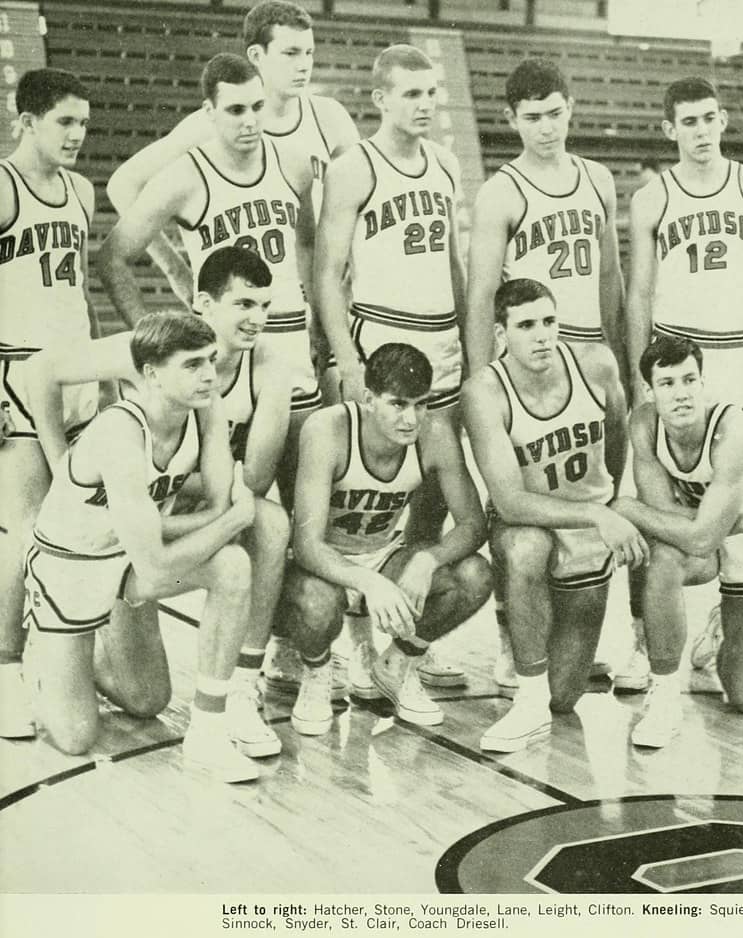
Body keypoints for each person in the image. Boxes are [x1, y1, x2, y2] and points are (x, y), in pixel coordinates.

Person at [26, 248, 293, 760]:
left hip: (130, 554)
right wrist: (58, 459)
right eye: (243, 304)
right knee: (77, 737)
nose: (208, 375)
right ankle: (51, 660)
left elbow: (218, 507)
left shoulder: (206, 398)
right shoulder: (127, 409)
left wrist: (213, 517)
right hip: (72, 567)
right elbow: (43, 369)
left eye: (264, 305)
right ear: (148, 373)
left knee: (149, 700)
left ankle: (209, 729)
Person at [462, 58, 636, 692]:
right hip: (526, 361)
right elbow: (482, 293)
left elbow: (611, 277)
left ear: (571, 108)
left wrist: (621, 356)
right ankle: (515, 637)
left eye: (555, 114)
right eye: (532, 118)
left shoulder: (597, 178)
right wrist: (486, 377)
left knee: (598, 491)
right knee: (522, 516)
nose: (545, 128)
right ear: (511, 120)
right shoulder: (501, 191)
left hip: (588, 351)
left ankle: (581, 624)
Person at [105, 0, 359, 397]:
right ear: (257, 56)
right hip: (233, 323)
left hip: (312, 308)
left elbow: (331, 227)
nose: (303, 64)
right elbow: (123, 184)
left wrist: (328, 308)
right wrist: (177, 270)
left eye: (309, 52)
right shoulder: (206, 126)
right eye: (291, 53)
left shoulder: (330, 118)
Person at [98, 52, 318, 510]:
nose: (251, 121)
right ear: (208, 112)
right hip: (223, 354)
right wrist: (156, 340)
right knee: (222, 495)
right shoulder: (184, 177)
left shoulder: (293, 163)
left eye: (258, 107)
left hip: (289, 343)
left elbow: (308, 246)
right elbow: (114, 257)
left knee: (305, 502)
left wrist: (318, 327)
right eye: (236, 110)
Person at [313, 43, 468, 688]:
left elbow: (454, 265)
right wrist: (346, 359)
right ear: (379, 100)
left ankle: (405, 641)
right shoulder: (355, 167)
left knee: (428, 498)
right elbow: (325, 273)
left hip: (443, 347)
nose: (426, 103)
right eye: (411, 93)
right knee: (355, 497)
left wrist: (473, 345)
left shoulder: (447, 164)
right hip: (378, 342)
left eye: (432, 92)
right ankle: (349, 636)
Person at [626, 75, 743, 678]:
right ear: (670, 130)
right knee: (659, 502)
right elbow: (638, 292)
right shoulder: (653, 198)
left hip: (735, 359)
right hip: (673, 362)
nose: (701, 131)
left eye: (710, 119)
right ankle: (646, 643)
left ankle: (730, 618)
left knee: (741, 509)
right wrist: (642, 376)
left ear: (724, 121)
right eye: (688, 122)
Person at [462, 278, 647, 753]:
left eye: (549, 321)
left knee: (564, 698)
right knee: (526, 547)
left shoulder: (597, 366)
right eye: (526, 325)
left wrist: (602, 512)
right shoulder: (485, 391)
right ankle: (525, 699)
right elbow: (508, 502)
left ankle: (539, 682)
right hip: (531, 524)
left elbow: (617, 450)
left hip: (587, 533)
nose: (542, 335)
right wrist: (596, 514)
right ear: (502, 333)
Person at [279, 343, 491, 734]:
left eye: (421, 404)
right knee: (316, 604)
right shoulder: (328, 429)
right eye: (398, 404)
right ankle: (317, 671)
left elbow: (473, 524)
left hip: (383, 554)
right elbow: (308, 545)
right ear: (368, 398)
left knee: (473, 576)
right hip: (322, 567)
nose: (411, 419)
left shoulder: (435, 434)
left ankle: (397, 665)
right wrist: (369, 582)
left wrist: (427, 561)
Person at [611, 334, 743, 748]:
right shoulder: (643, 423)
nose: (681, 394)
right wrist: (719, 523)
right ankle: (665, 696)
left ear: (703, 383)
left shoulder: (733, 433)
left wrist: (628, 508)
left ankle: (722, 622)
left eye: (690, 380)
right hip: (716, 527)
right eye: (668, 384)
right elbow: (667, 518)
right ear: (649, 392)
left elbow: (702, 536)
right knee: (663, 557)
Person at [0, 68, 95, 740]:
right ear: (25, 118)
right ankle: (4, 675)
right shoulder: (3, 186)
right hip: (16, 375)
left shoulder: (82, 192)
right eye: (65, 122)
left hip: (76, 378)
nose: (78, 136)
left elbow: (77, 291)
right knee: (21, 532)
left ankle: (55, 661)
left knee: (74, 530)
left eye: (84, 124)